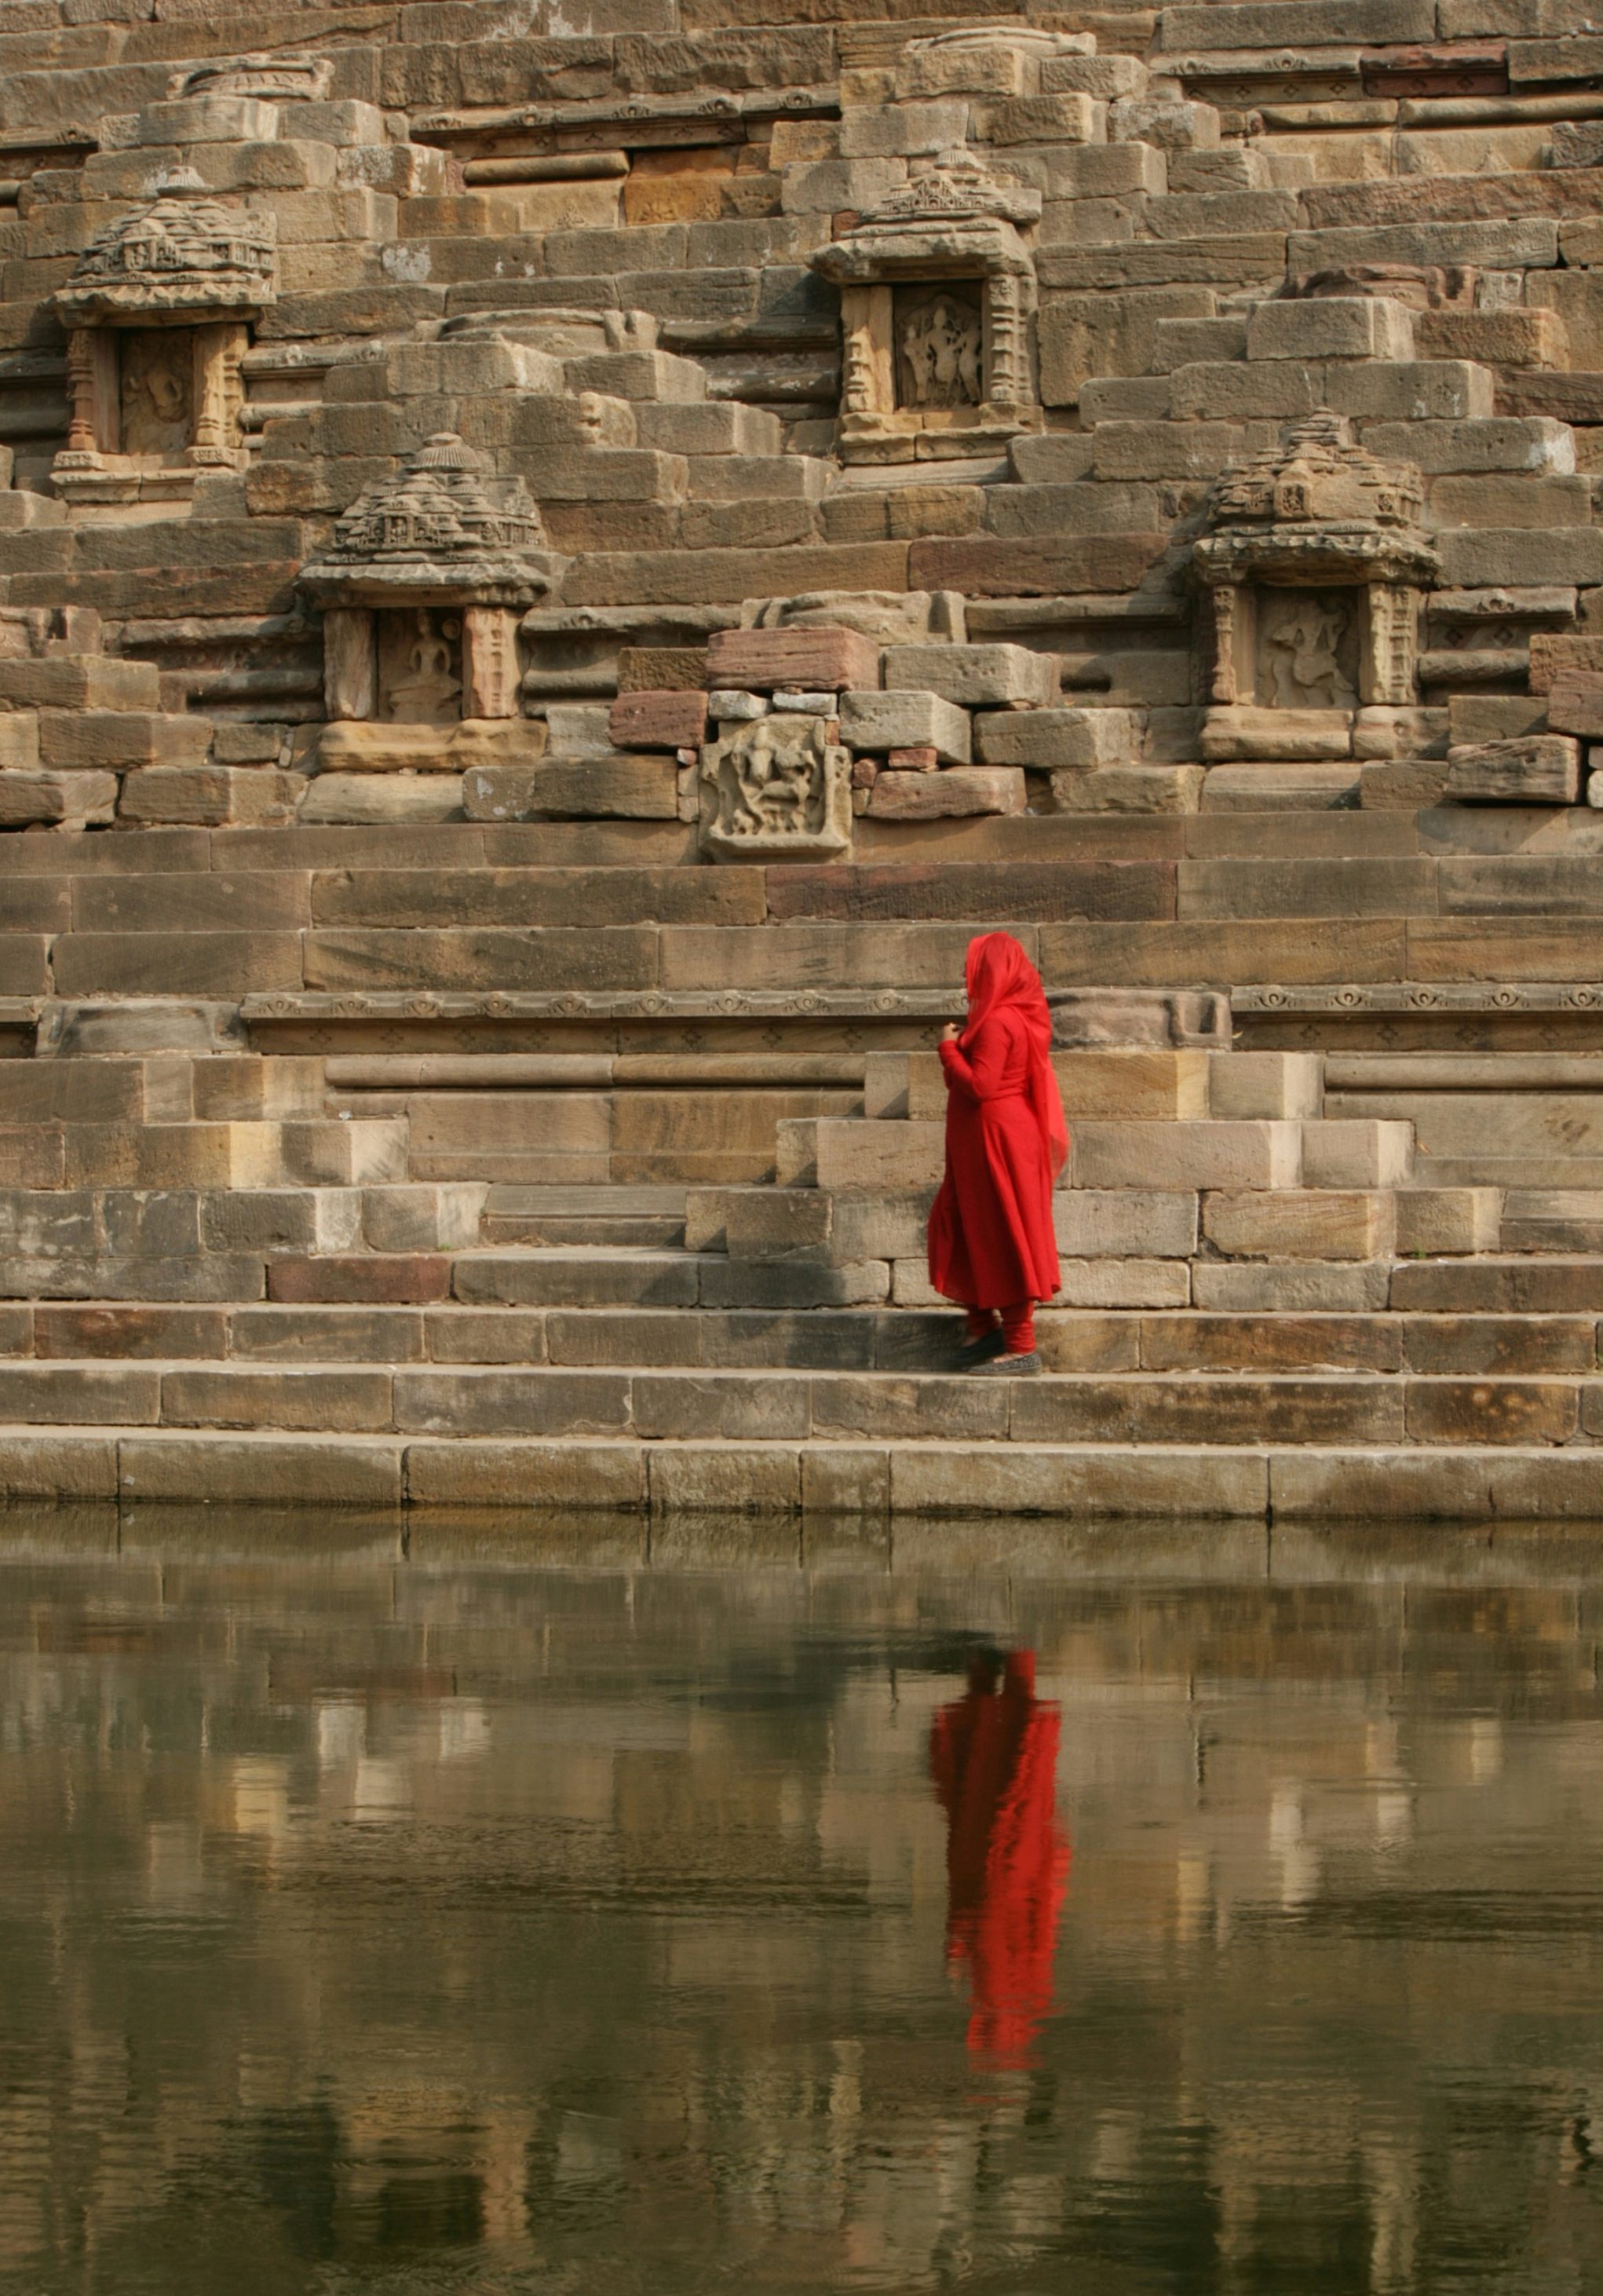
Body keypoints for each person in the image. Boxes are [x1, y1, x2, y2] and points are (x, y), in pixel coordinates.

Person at [926, 931, 1068, 1373]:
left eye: (973, 968)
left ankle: (1021, 1347)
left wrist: (947, 1048)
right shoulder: (1006, 1018)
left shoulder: (997, 1022)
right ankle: (982, 1326)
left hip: (997, 1141)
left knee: (1003, 1232)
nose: (965, 975)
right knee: (971, 1224)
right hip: (986, 1141)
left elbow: (981, 1085)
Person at [929, 1649, 1070, 2068]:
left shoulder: (1025, 1991)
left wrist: (958, 1946)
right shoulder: (1018, 1991)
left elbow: (1042, 1921)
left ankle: (998, 1672)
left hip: (1002, 1872)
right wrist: (958, 1944)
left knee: (996, 1793)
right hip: (1001, 1875)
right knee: (994, 1794)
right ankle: (1000, 1670)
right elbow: (1038, 1923)